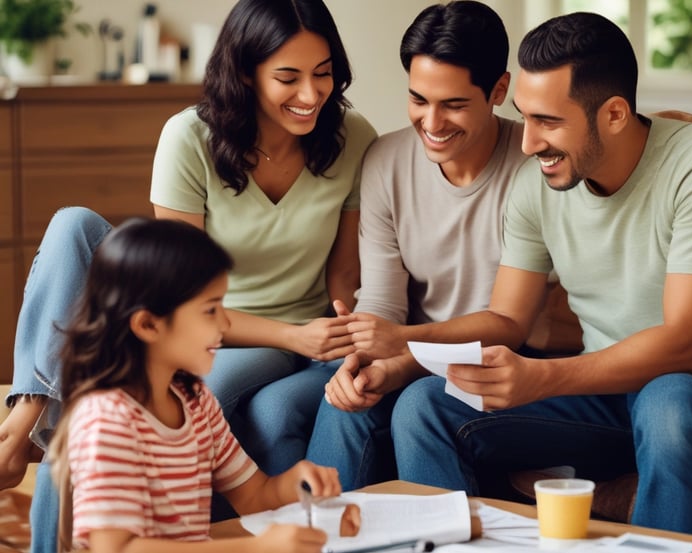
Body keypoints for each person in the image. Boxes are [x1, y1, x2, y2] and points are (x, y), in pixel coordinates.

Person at [0, 0, 375, 550]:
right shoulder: (189, 137)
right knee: (74, 226)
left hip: (291, 332)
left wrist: (347, 335)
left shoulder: (352, 136)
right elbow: (179, 286)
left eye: (323, 74)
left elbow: (344, 272)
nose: (311, 94)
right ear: (246, 74)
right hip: (201, 317)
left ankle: (36, 427)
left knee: (197, 389)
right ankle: (32, 410)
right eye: (287, 78)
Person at [386, 11, 692, 539]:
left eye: (548, 121)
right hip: (610, 399)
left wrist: (541, 377)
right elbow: (506, 319)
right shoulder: (535, 189)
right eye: (526, 116)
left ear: (613, 114)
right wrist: (404, 347)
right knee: (426, 405)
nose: (527, 143)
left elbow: (683, 345)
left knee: (668, 400)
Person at [304, 0, 528, 490]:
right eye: (419, 99)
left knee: (418, 402)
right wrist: (359, 361)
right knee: (345, 401)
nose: (431, 122)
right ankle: (315, 539)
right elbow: (382, 302)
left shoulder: (533, 166)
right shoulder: (385, 160)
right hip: (414, 354)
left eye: (453, 104)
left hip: (498, 361)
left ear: (499, 91)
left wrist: (403, 352)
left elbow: (520, 325)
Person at [46, 217, 340, 552]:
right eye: (210, 310)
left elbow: (254, 496)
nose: (226, 323)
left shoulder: (195, 401)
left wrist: (293, 483)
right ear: (148, 325)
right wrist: (254, 549)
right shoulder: (107, 419)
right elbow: (118, 548)